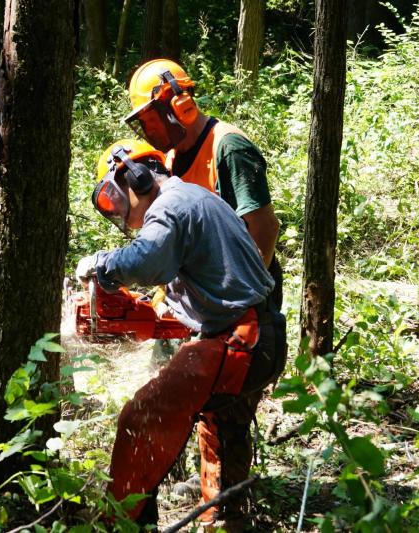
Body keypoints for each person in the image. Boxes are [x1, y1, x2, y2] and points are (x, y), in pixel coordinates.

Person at [76, 139, 287, 531]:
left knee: (144, 417)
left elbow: (146, 260)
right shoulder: (194, 198)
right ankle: (224, 519)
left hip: (242, 338)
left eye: (113, 197)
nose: (118, 211)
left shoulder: (171, 205)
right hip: (261, 332)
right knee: (221, 425)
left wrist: (100, 264)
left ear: (135, 176)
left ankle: (122, 523)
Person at [124, 59, 283, 310]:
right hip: (202, 294)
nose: (150, 129)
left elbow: (265, 228)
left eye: (152, 118)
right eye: (144, 122)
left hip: (245, 298)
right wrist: (164, 291)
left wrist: (240, 296)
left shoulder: (229, 148)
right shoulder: (173, 158)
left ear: (180, 104)